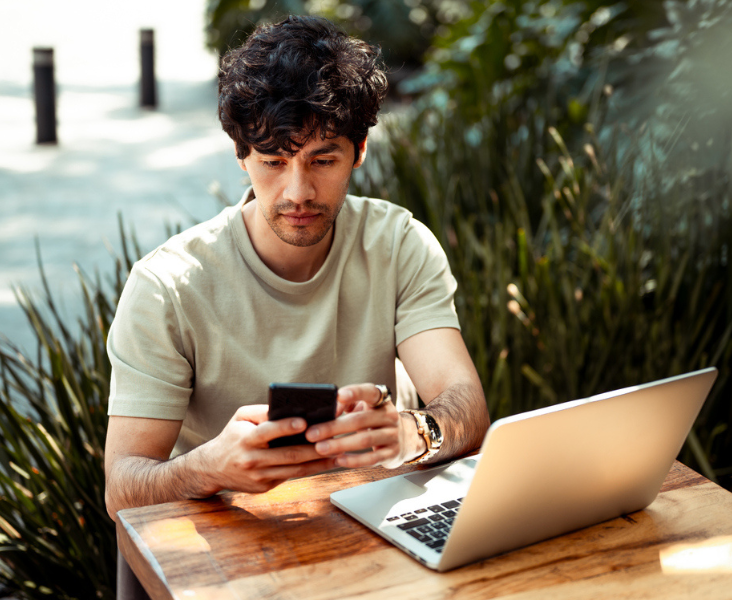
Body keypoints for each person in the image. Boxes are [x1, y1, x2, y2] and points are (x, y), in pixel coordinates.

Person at [103, 15, 490, 520]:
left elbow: (467, 406)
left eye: (323, 160)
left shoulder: (398, 245)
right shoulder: (167, 287)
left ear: (360, 151)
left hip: (371, 524)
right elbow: (122, 490)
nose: (298, 192)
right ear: (242, 156)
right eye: (273, 161)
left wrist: (416, 433)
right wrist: (209, 468)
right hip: (226, 548)